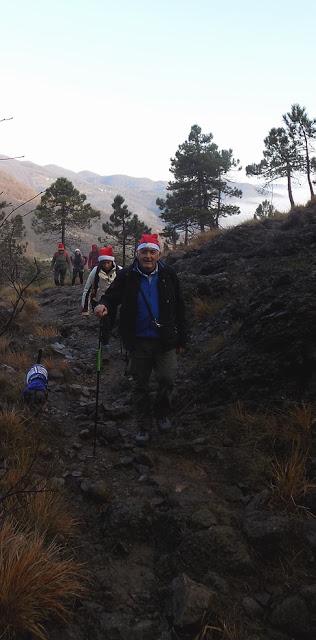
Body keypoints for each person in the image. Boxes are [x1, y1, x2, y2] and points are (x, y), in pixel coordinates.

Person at [94, 233, 186, 446]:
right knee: (140, 384)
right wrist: (104, 304)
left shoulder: (168, 274)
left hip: (166, 340)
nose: (148, 256)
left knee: (167, 379)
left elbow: (180, 307)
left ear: (158, 254)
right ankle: (143, 425)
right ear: (137, 253)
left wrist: (182, 338)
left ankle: (162, 413)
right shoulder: (127, 275)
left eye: (152, 252)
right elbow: (112, 296)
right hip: (137, 340)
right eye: (144, 252)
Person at [82, 246, 121, 348]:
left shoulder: (119, 271)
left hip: (113, 302)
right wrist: (85, 309)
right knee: (105, 321)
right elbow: (87, 289)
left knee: (111, 321)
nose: (106, 265)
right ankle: (105, 343)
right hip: (98, 301)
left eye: (108, 262)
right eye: (104, 263)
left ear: (112, 261)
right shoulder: (95, 271)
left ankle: (106, 337)